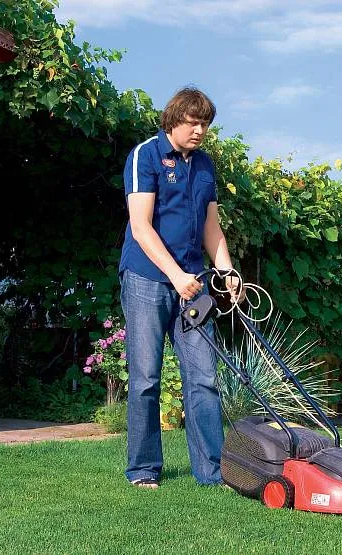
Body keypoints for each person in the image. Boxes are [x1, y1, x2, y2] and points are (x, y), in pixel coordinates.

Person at [119, 87, 235, 489]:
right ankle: (144, 470)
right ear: (174, 120)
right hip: (148, 279)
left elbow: (211, 227)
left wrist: (227, 271)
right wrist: (175, 276)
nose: (201, 130)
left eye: (205, 124)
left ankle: (214, 472)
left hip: (195, 283)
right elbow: (141, 226)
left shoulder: (204, 167)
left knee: (204, 375)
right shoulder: (145, 156)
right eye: (194, 122)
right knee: (146, 378)